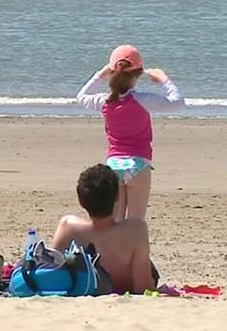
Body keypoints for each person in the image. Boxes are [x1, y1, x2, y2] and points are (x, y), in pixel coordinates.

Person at [76, 45, 184, 221]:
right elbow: (177, 102)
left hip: (113, 165)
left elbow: (81, 96)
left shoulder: (104, 102)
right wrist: (164, 79)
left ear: (112, 72)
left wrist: (101, 74)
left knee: (114, 223)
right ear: (138, 74)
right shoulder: (142, 100)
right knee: (136, 223)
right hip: (138, 164)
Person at [51, 164, 157, 294]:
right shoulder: (136, 230)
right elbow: (143, 288)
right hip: (123, 287)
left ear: (81, 201)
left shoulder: (68, 227)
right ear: (117, 197)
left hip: (85, 286)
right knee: (151, 269)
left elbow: (53, 272)